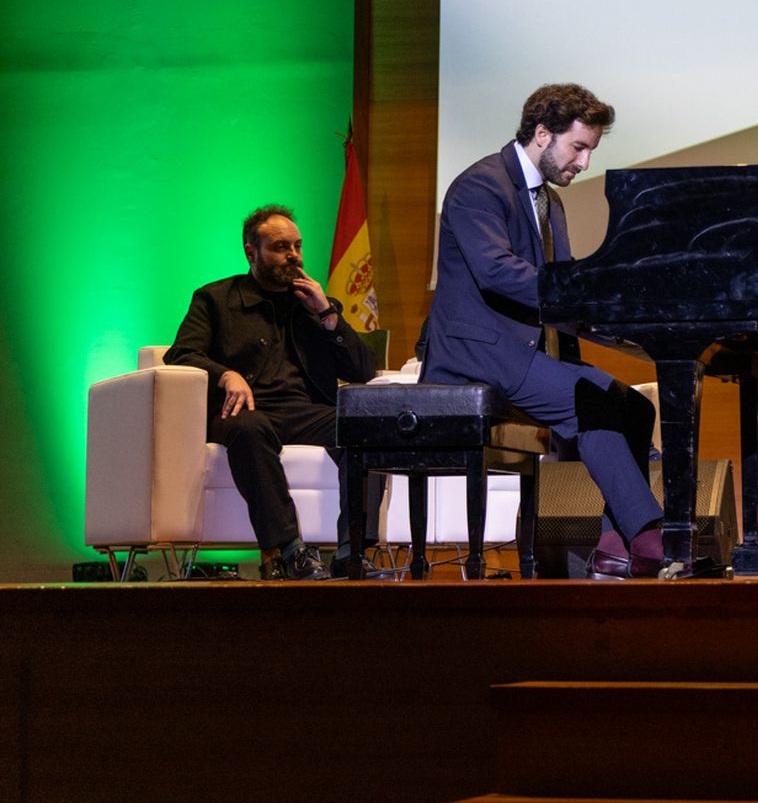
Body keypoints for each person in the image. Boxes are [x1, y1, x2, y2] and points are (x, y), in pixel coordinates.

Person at [422, 82, 661, 580]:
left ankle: (617, 542)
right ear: (541, 133)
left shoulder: (551, 202)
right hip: (478, 352)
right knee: (590, 403)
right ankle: (646, 535)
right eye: (579, 147)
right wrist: (588, 296)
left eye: (591, 150)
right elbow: (496, 272)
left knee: (635, 406)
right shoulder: (479, 186)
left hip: (525, 352)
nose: (584, 162)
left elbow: (565, 290)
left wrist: (619, 321)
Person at [165, 205, 379, 580]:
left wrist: (327, 313)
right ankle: (290, 549)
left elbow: (361, 371)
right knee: (250, 429)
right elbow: (180, 354)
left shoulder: (314, 304)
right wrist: (225, 374)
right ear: (251, 252)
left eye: (297, 246)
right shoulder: (215, 300)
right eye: (280, 247)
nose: (293, 256)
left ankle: (352, 550)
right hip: (243, 412)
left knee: (367, 427)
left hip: (304, 412)